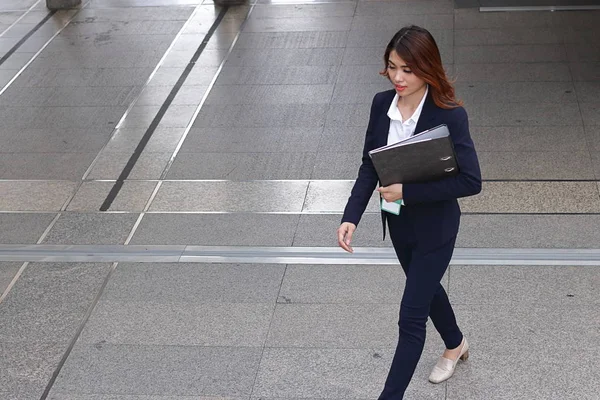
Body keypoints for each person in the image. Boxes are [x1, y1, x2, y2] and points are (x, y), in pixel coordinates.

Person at [336, 25, 482, 399]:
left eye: (408, 69)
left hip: (436, 228)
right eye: (392, 67)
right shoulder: (380, 104)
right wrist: (350, 215)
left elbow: (471, 182)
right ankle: (455, 343)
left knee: (411, 316)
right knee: (428, 290)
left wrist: (408, 192)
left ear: (427, 69)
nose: (398, 77)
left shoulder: (449, 114)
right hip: (398, 222)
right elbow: (370, 165)